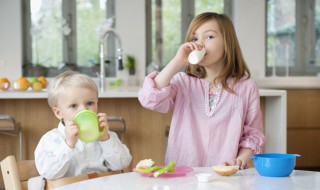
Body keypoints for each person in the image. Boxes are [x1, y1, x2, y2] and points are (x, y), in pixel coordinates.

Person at [138, 12, 266, 169]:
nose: (200, 44)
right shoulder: (183, 82)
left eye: (209, 37)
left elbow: (253, 134)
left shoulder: (246, 86)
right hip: (183, 174)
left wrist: (241, 159)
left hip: (225, 175)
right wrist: (177, 62)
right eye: (195, 38)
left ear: (227, 43)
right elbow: (150, 99)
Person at [35, 71, 132, 179]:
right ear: (58, 113)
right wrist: (68, 145)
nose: (84, 109)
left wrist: (105, 139)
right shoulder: (51, 139)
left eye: (90, 103)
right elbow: (49, 173)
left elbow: (123, 164)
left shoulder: (106, 135)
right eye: (73, 105)